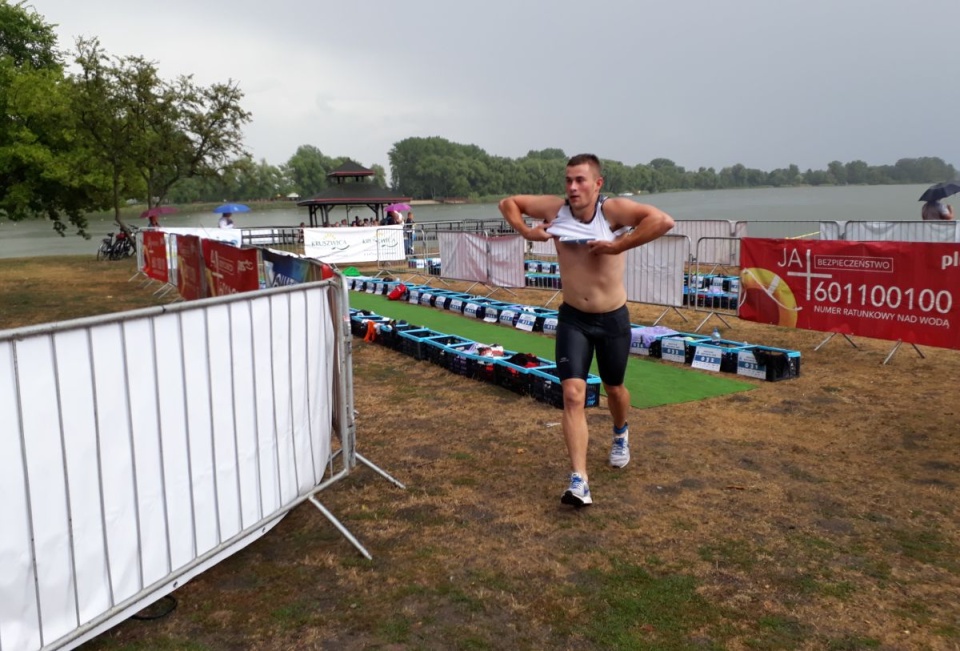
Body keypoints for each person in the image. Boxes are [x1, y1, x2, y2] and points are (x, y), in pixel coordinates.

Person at [499, 153, 674, 508]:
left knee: (614, 388)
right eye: (568, 180)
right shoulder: (554, 209)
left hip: (612, 319)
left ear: (597, 184)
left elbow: (663, 221)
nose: (573, 187)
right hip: (573, 318)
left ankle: (621, 432)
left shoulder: (612, 212)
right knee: (574, 394)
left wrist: (617, 244)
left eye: (580, 180)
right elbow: (508, 203)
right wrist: (527, 231)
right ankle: (579, 480)